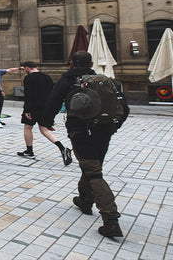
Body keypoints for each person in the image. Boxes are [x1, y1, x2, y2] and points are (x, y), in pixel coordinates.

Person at [40, 51, 123, 238]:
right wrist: (113, 127)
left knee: (93, 171)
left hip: (80, 129)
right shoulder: (102, 80)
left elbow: (53, 101)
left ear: (72, 63)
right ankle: (85, 200)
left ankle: (111, 219)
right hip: (103, 129)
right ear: (91, 63)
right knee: (93, 165)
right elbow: (122, 107)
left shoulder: (68, 80)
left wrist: (46, 121)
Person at [17, 61, 72, 166]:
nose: (25, 70)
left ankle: (29, 151)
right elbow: (52, 94)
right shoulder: (47, 77)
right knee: (44, 130)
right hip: (46, 107)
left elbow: (29, 96)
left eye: (25, 69)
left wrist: (27, 110)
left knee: (28, 127)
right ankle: (62, 148)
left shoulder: (28, 78)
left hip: (33, 108)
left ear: (27, 68)